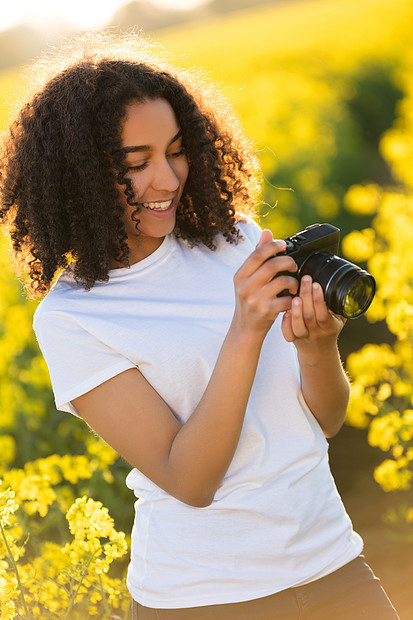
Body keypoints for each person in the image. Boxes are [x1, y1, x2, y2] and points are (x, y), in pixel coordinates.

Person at [0, 32, 399, 619]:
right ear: (76, 177)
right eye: (136, 164)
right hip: (207, 598)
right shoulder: (74, 318)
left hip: (333, 563)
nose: (168, 179)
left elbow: (325, 422)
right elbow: (190, 480)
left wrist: (318, 347)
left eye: (176, 151)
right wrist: (245, 333)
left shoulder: (232, 238)